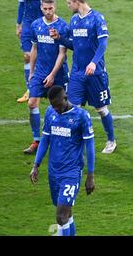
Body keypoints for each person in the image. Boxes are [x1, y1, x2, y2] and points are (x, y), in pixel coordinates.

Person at [50, 0, 117, 154]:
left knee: (101, 109)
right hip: (78, 73)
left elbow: (103, 45)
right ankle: (74, 143)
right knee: (73, 108)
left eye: (69, 3)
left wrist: (94, 63)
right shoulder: (74, 20)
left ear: (77, 2)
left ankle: (111, 140)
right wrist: (60, 38)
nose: (68, 6)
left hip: (96, 73)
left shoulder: (97, 18)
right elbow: (75, 45)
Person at [29, 85, 95, 236]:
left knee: (60, 216)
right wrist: (36, 165)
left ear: (65, 98)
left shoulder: (81, 116)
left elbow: (90, 147)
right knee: (67, 214)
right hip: (54, 173)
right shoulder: (50, 112)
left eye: (58, 106)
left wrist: (90, 175)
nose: (56, 110)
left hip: (71, 173)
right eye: (53, 106)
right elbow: (45, 139)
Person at [23, 0, 69, 155]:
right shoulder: (36, 25)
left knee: (58, 109)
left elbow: (62, 54)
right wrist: (32, 71)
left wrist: (52, 74)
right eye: (45, 9)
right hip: (40, 71)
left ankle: (58, 141)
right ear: (41, 8)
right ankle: (37, 140)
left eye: (51, 8)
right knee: (32, 103)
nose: (48, 11)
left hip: (58, 74)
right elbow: (34, 49)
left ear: (55, 7)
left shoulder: (62, 26)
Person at [16, 0, 53, 103]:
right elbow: (21, 4)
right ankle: (30, 89)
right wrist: (18, 24)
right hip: (27, 24)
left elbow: (50, 1)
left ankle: (45, 84)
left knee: (43, 56)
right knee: (27, 56)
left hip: (41, 23)